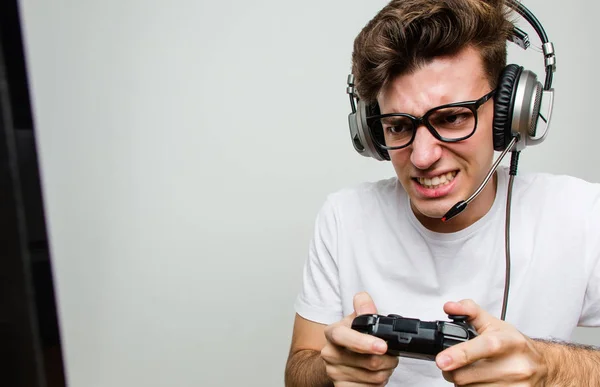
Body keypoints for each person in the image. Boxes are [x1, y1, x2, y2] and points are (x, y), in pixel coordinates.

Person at [284, 0, 600, 386]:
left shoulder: (582, 214)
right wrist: (330, 370)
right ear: (372, 133)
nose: (422, 156)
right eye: (398, 126)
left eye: (452, 118)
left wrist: (551, 368)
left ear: (511, 114)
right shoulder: (344, 216)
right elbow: (300, 370)